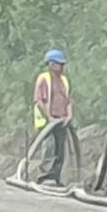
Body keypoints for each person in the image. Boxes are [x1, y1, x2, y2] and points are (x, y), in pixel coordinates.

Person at [32, 49, 73, 186]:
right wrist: (49, 117)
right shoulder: (44, 78)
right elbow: (39, 101)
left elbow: (68, 100)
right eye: (59, 64)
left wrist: (69, 115)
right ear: (51, 64)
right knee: (49, 148)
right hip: (47, 122)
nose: (62, 67)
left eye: (62, 64)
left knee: (60, 150)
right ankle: (44, 176)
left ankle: (55, 177)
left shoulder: (64, 81)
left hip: (61, 121)